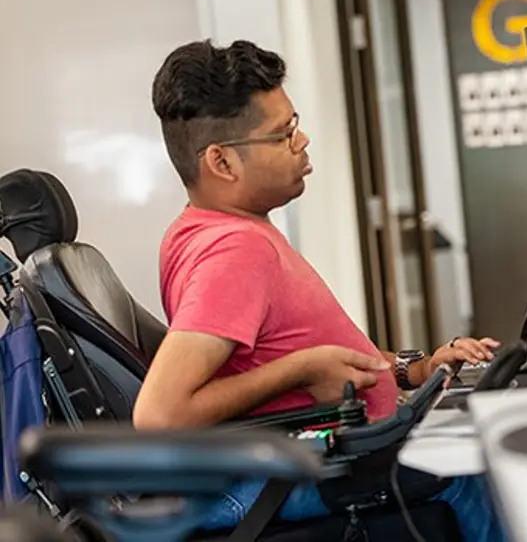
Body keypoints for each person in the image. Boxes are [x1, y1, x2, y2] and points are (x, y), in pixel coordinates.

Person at [133, 39, 507, 541]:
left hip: (311, 458)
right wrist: (301, 370)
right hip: (285, 480)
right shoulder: (234, 252)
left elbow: (292, 349)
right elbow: (159, 416)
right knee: (476, 465)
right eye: (282, 134)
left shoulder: (210, 230)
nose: (302, 140)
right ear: (221, 163)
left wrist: (414, 369)